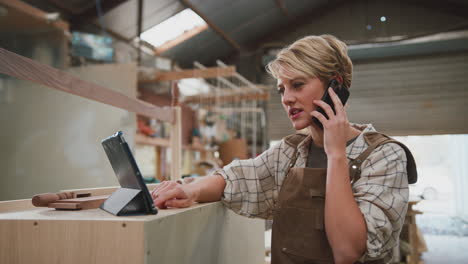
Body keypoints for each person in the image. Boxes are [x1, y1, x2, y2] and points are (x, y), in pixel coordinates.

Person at [151, 34, 417, 264]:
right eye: (282, 89)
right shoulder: (290, 152)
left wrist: (335, 154)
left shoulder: (384, 155)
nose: (287, 98)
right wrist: (188, 189)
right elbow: (237, 177)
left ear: (335, 84)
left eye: (298, 85)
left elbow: (347, 251)